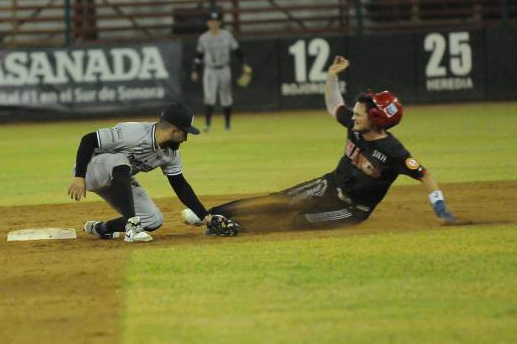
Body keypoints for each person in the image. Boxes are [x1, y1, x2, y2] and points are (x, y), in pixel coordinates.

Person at [183, 55, 459, 231]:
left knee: (295, 221)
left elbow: (424, 174)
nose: (355, 113)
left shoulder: (393, 152)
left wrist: (441, 208)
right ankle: (211, 215)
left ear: (376, 119)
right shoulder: (355, 125)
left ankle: (231, 227)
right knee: (278, 201)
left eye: (362, 111)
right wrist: (331, 76)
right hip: (329, 184)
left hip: (351, 210)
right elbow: (333, 105)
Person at [68, 102, 236, 243]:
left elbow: (180, 185)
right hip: (91, 170)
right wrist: (79, 176)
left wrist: (206, 217)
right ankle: (132, 228)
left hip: (119, 180)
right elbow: (88, 139)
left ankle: (101, 228)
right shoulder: (133, 133)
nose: (186, 138)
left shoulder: (171, 154)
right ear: (174, 130)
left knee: (153, 219)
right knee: (120, 161)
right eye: (185, 132)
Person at [190, 10, 251, 132]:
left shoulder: (226, 35)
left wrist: (244, 64)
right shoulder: (204, 37)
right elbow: (199, 55)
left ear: (220, 22)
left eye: (216, 21)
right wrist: (195, 70)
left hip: (224, 69)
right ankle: (208, 125)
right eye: (211, 21)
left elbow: (237, 51)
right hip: (210, 70)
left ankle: (227, 125)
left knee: (226, 96)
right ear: (208, 23)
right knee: (209, 97)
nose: (214, 24)